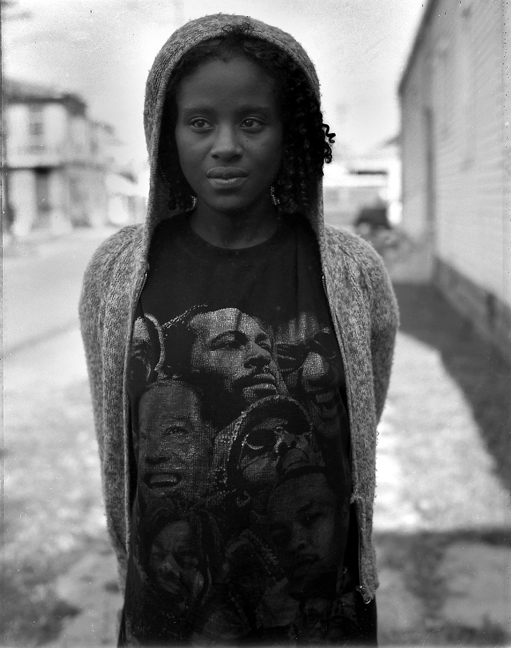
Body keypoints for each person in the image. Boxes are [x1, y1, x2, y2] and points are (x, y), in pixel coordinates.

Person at [80, 13, 399, 646]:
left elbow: (362, 410)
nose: (225, 145)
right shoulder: (118, 272)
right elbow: (117, 438)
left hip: (319, 614)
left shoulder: (350, 270)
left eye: (252, 122)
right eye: (200, 122)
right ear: (165, 132)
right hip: (172, 612)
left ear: (289, 132)